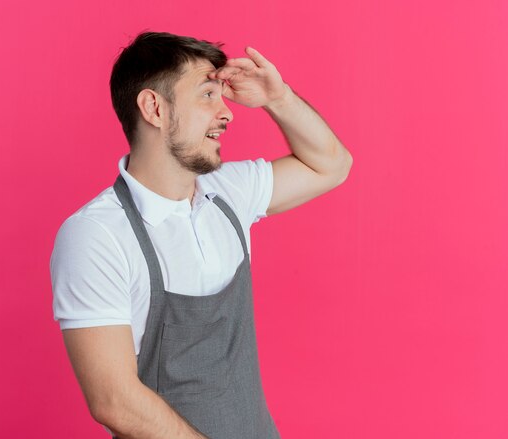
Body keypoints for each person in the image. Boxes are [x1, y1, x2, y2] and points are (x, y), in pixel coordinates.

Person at [50, 31, 353, 439]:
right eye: (208, 95)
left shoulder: (229, 193)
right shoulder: (97, 234)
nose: (226, 113)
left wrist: (278, 99)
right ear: (154, 108)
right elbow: (114, 401)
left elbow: (331, 165)